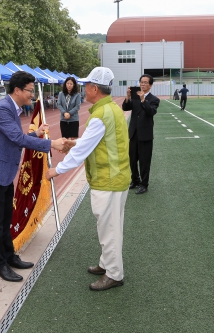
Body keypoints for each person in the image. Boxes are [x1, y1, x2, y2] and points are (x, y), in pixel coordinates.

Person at [0, 71, 71, 283]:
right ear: (17, 90)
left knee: (6, 218)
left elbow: (13, 138)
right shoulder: (2, 109)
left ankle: (9, 256)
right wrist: (51, 143)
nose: (32, 95)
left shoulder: (11, 109)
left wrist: (36, 135)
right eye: (29, 90)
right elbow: (16, 138)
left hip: (3, 173)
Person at [46, 66, 130, 291]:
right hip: (116, 178)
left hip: (109, 180)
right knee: (110, 226)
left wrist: (57, 170)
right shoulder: (111, 109)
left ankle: (114, 273)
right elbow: (91, 143)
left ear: (94, 88)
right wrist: (75, 143)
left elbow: (82, 151)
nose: (83, 89)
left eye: (86, 86)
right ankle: (107, 264)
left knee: (109, 229)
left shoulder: (101, 115)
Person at [122, 74, 160, 195]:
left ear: (150, 85)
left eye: (145, 82)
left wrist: (143, 99)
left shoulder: (154, 99)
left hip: (145, 135)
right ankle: (135, 180)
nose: (142, 84)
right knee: (132, 159)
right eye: (141, 82)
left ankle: (144, 184)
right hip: (133, 133)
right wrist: (128, 97)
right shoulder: (134, 97)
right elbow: (125, 107)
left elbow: (151, 112)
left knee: (144, 161)